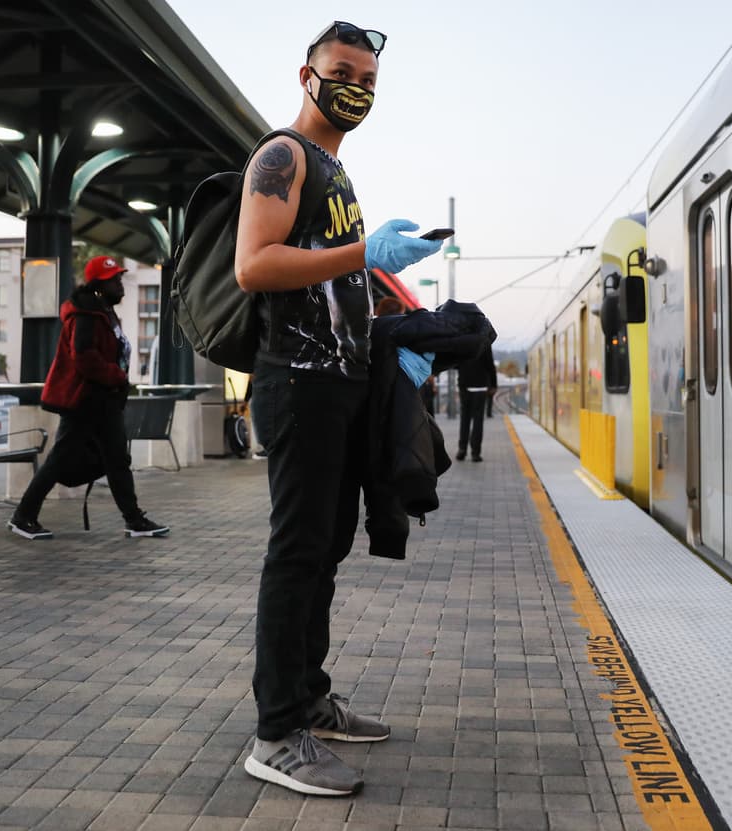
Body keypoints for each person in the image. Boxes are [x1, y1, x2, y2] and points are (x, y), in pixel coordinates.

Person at [234, 21, 443, 797]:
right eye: (343, 71)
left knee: (324, 550)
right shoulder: (282, 155)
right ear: (307, 74)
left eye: (368, 80)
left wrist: (393, 339)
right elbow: (256, 265)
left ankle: (309, 698)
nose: (356, 87)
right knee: (296, 551)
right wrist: (365, 254)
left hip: (341, 384)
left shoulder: (335, 171)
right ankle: (275, 731)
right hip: (298, 384)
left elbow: (328, 291)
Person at [8, 256, 169, 540]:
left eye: (120, 278)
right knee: (60, 459)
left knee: (117, 459)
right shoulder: (85, 314)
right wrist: (116, 376)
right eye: (115, 280)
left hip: (103, 401)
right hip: (84, 401)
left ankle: (134, 519)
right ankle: (23, 516)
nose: (121, 284)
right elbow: (83, 357)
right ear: (98, 285)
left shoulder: (103, 311)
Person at [456, 346, 497, 461]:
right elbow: (490, 364)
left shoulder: (462, 340)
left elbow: (456, 363)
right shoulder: (484, 341)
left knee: (465, 419)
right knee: (478, 421)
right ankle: (475, 453)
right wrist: (493, 384)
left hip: (465, 385)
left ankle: (462, 450)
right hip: (480, 386)